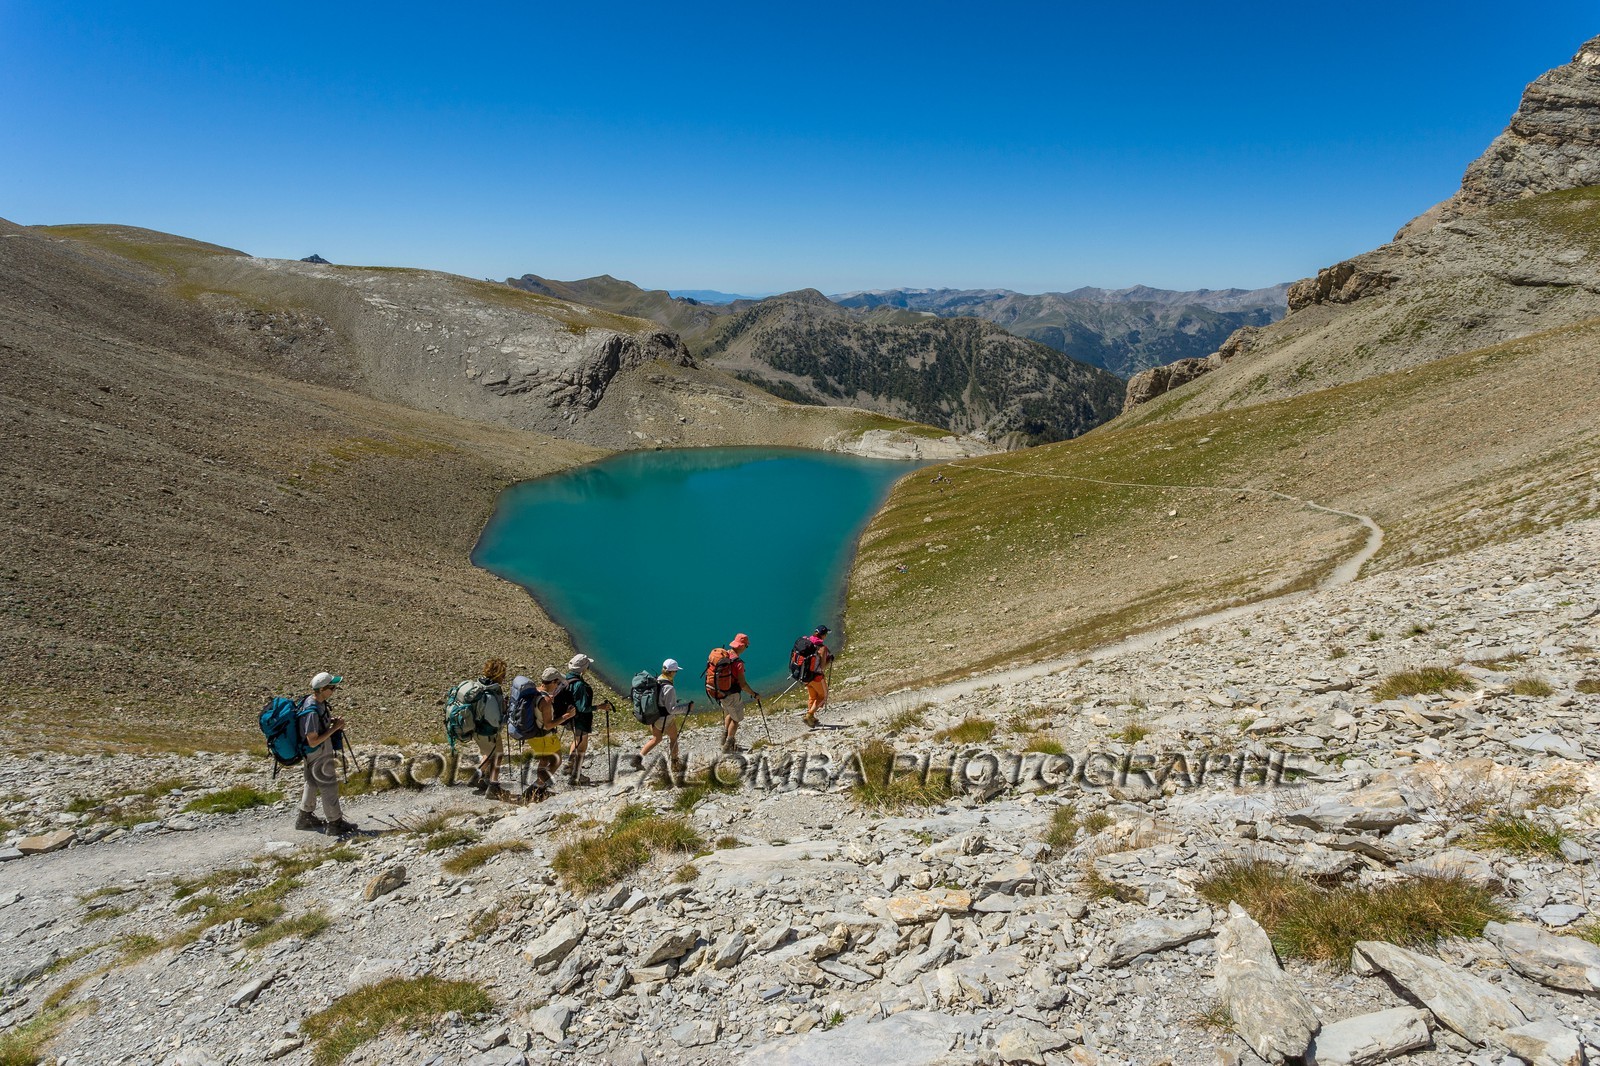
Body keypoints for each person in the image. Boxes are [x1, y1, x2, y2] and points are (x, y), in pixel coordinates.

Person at [295, 671, 358, 835]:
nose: (334, 690)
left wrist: (330, 722)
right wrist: (335, 728)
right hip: (318, 751)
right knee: (328, 785)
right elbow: (313, 739)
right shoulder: (311, 710)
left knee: (312, 781)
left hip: (311, 753)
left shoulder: (314, 703)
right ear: (322, 689)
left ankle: (305, 816)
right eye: (332, 687)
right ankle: (335, 823)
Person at [705, 633, 760, 753]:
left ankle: (723, 739)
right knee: (736, 720)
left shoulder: (724, 655)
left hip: (719, 692)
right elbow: (743, 684)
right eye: (746, 646)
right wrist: (754, 694)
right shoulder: (738, 663)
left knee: (728, 712)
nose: (746, 648)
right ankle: (728, 746)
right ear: (741, 646)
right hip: (731, 694)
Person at [561, 653, 604, 786]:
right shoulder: (579, 684)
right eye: (587, 666)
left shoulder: (566, 679)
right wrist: (599, 707)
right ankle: (576, 776)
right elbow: (583, 707)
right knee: (582, 746)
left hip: (570, 719)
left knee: (577, 741)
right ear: (583, 668)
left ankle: (570, 764)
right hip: (581, 719)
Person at [640, 658, 691, 766]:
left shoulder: (657, 679)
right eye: (676, 671)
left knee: (656, 739)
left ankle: (637, 759)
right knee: (673, 738)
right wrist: (687, 707)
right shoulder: (669, 688)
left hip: (653, 716)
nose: (676, 673)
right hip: (664, 719)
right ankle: (675, 763)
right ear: (671, 672)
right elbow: (671, 709)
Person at [470, 658, 509, 795]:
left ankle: (481, 777)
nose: (504, 677)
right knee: (498, 755)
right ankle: (493, 786)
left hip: (475, 729)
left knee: (487, 753)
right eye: (503, 674)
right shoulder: (493, 691)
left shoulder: (478, 685)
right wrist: (506, 717)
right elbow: (495, 720)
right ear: (497, 674)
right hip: (489, 731)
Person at [802, 625, 833, 729]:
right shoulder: (822, 648)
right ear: (823, 635)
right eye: (826, 634)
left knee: (812, 696)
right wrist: (829, 659)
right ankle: (809, 715)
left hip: (805, 676)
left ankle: (811, 719)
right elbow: (822, 667)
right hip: (816, 677)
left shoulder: (807, 642)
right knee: (823, 696)